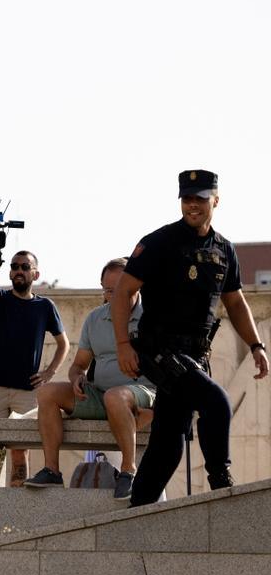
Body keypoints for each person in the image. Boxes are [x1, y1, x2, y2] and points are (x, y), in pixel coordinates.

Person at [114, 169, 268, 506]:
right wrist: (123, 345)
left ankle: (138, 508)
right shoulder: (159, 242)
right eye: (187, 199)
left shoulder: (224, 249)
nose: (192, 205)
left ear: (216, 200)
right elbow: (123, 291)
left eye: (200, 198)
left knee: (168, 443)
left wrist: (256, 345)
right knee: (216, 402)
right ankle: (220, 480)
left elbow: (235, 301)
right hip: (160, 349)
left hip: (196, 355)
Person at [24, 258, 155, 499]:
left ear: (135, 285)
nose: (112, 297)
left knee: (117, 397)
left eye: (118, 290)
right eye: (107, 291)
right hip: (100, 394)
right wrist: (77, 378)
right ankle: (52, 470)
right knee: (47, 393)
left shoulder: (155, 316)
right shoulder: (95, 319)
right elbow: (78, 365)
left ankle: (128, 471)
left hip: (143, 391)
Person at [0, 249, 70, 486]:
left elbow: (64, 344)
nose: (18, 271)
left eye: (24, 266)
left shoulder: (45, 306)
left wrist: (49, 372)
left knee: (20, 450)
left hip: (27, 389)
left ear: (35, 273)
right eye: (14, 266)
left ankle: (17, 500)